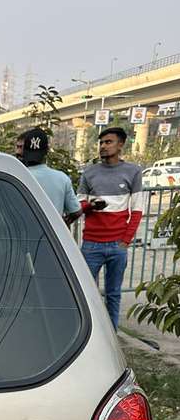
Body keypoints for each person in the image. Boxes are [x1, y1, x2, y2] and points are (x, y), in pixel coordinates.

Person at [77, 127, 143, 329]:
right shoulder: (89, 173)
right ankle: (92, 333)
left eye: (108, 142)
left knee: (113, 294)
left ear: (121, 144)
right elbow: (78, 205)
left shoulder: (133, 172)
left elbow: (138, 210)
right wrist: (90, 206)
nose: (103, 146)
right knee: (86, 293)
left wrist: (125, 242)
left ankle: (112, 335)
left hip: (117, 246)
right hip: (91, 244)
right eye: (101, 143)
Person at [20, 128, 81, 223]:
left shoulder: (16, 176)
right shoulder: (62, 178)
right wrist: (63, 224)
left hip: (20, 235)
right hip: (50, 236)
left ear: (24, 151)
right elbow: (76, 211)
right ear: (47, 151)